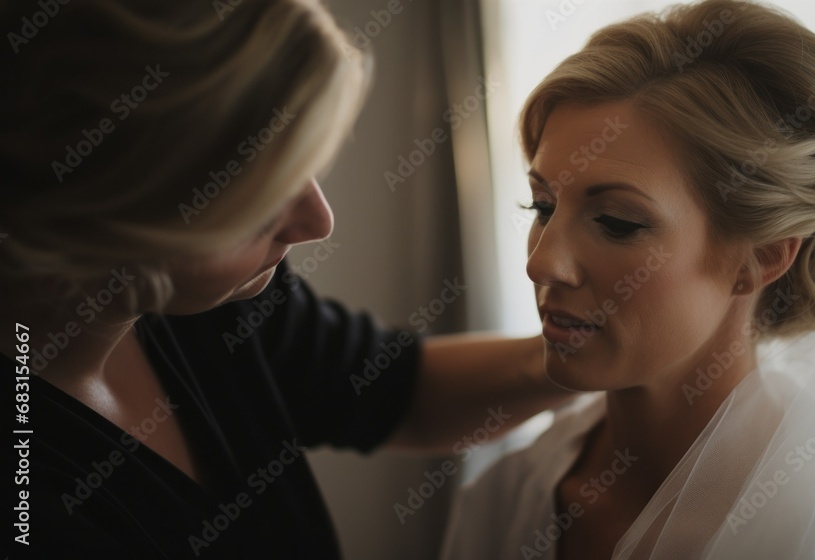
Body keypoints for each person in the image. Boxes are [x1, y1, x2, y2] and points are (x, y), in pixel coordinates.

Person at [0, 0, 570, 558]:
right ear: (122, 199)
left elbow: (394, 392)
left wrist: (578, 351)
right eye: (265, 191)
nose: (317, 221)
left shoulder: (216, 300)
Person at [440, 1, 815, 558]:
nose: (541, 264)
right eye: (541, 206)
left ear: (761, 260)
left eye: (616, 222)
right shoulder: (504, 498)